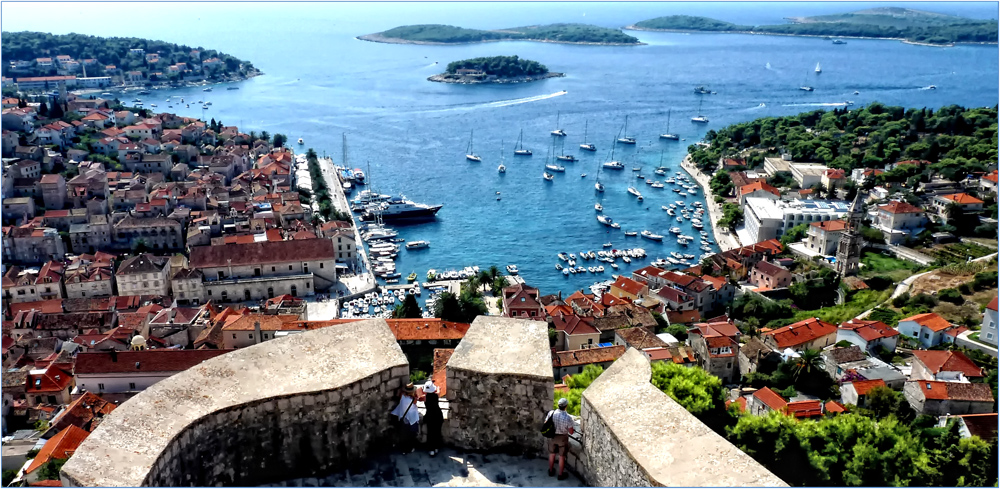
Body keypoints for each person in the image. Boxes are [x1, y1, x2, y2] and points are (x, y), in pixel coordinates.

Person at [546, 398, 575, 480]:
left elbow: (546, 423)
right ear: (566, 406)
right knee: (562, 456)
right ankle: (560, 475)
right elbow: (571, 432)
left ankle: (551, 471)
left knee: (552, 454)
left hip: (552, 436)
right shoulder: (568, 418)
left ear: (558, 405)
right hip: (562, 438)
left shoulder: (551, 413)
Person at [390, 382, 419, 453]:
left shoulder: (402, 396)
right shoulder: (413, 400)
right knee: (411, 435)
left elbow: (402, 394)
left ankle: (404, 450)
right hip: (411, 419)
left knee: (404, 435)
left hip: (403, 418)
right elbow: (416, 400)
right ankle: (410, 448)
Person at [421, 380, 443, 457]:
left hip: (430, 416)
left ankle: (431, 449)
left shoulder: (425, 398)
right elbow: (439, 391)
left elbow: (421, 395)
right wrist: (437, 387)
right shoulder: (436, 395)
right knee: (437, 431)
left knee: (430, 432)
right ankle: (436, 447)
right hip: (438, 415)